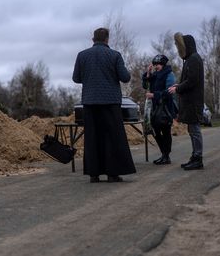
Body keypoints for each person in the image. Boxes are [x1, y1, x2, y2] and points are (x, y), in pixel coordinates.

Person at [73, 28, 136, 183]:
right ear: (107, 39)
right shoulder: (115, 55)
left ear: (93, 39)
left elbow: (76, 78)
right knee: (112, 137)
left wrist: (90, 79)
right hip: (110, 103)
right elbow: (125, 77)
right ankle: (112, 174)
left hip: (90, 102)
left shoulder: (82, 55)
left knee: (92, 137)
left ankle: (94, 174)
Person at [168, 32, 204, 170]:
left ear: (186, 45)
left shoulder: (194, 59)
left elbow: (193, 81)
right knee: (192, 130)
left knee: (195, 130)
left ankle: (198, 158)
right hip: (190, 101)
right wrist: (179, 86)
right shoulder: (191, 59)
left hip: (193, 102)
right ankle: (195, 157)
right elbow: (188, 80)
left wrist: (178, 89)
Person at [142, 54, 177, 165]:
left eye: (158, 64)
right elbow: (145, 85)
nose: (156, 66)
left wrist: (154, 95)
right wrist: (148, 74)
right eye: (155, 64)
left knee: (166, 132)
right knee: (155, 131)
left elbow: (169, 92)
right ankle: (164, 154)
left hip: (165, 108)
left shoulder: (169, 74)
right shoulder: (155, 75)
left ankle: (166, 156)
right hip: (155, 108)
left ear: (163, 64)